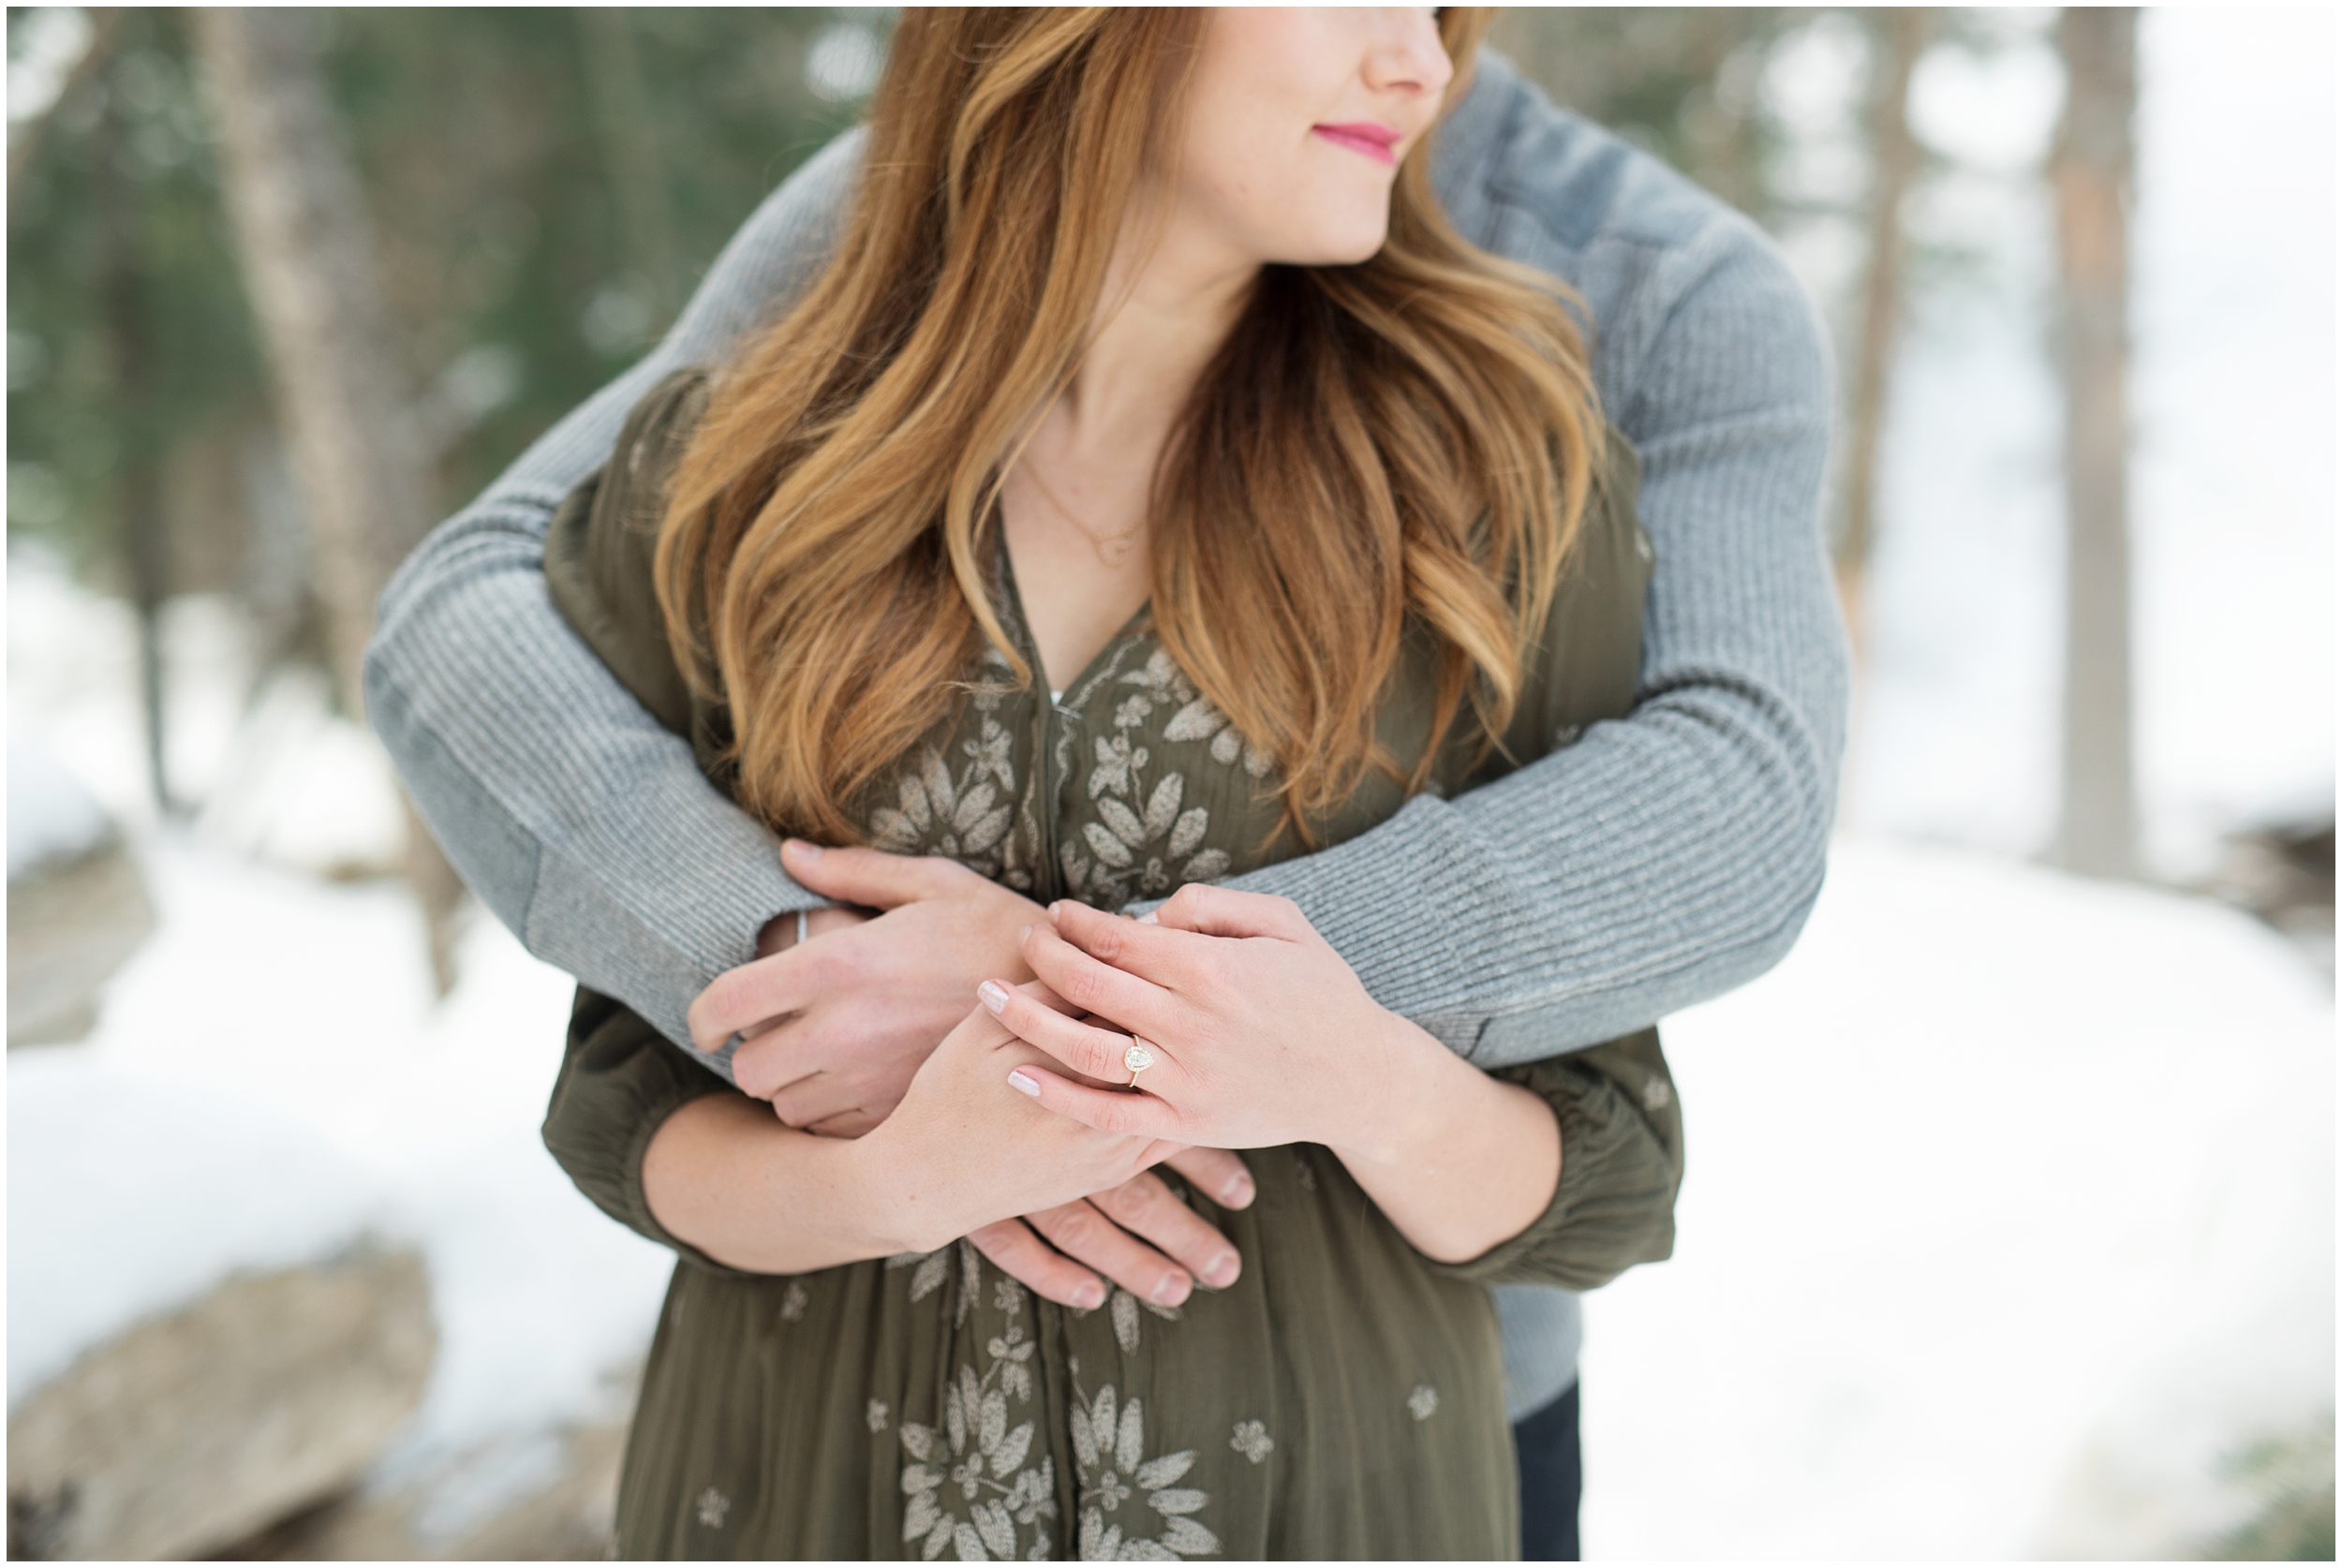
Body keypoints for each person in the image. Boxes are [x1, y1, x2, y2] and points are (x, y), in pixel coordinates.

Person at [365, 9, 1845, 1561]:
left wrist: (1100, 1011)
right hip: (830, 1456)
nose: (1420, 59)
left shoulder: (1632, 331)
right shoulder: (860, 292)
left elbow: (1737, 803)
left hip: (1374, 1423)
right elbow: (485, 618)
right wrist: (785, 963)